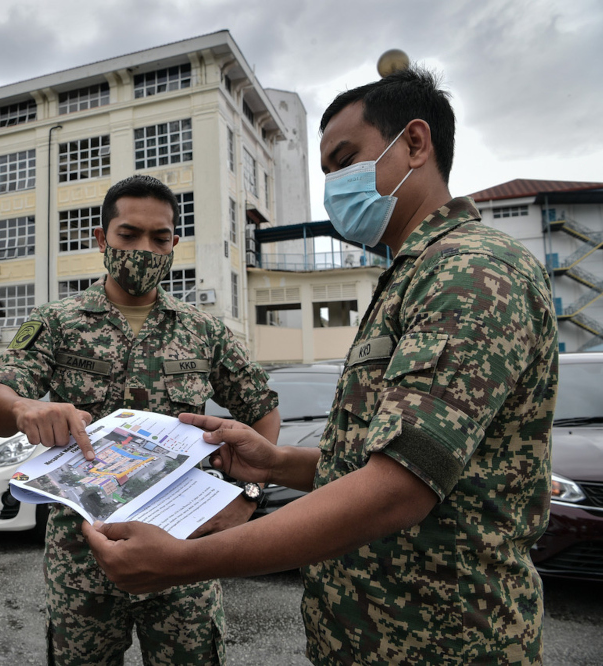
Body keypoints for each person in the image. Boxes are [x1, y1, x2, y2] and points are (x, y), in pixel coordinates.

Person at [83, 68, 559, 666]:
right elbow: (385, 462)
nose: (334, 185)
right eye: (327, 172)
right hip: (369, 638)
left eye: (344, 159)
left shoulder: (470, 273)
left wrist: (186, 560)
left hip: (443, 644)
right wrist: (278, 463)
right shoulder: (410, 276)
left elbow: (397, 491)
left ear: (415, 143)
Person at [0, 174, 280, 665]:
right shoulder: (59, 322)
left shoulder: (204, 331)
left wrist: (246, 497)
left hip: (183, 548)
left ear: (174, 244)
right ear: (102, 239)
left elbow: (263, 413)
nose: (144, 248)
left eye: (159, 238)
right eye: (128, 234)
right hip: (83, 555)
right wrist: (22, 407)